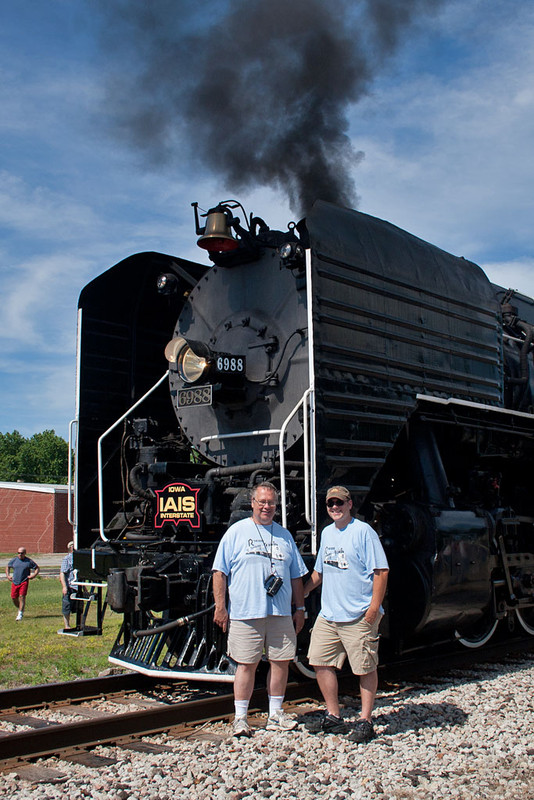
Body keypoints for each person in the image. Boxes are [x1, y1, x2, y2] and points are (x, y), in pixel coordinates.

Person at [212, 481, 308, 737]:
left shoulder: (284, 535)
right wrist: (220, 607)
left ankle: (275, 714)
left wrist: (300, 608)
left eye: (271, 503)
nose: (266, 507)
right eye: (262, 502)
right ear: (252, 503)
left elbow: (296, 576)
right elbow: (219, 572)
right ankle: (240, 718)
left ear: (276, 506)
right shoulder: (236, 532)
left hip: (279, 613)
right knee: (245, 664)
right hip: (246, 612)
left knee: (281, 662)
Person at [304, 486, 389, 743]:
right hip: (330, 614)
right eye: (331, 503)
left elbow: (381, 571)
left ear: (350, 504)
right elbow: (320, 571)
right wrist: (304, 592)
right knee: (319, 661)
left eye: (339, 502)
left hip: (358, 614)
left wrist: (374, 608)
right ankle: (334, 716)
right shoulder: (327, 533)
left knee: (364, 667)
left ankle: (365, 720)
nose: (334, 507)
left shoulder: (363, 532)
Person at [5, 547, 40, 620]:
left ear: (25, 553)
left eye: (22, 553)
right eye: (18, 553)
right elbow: (8, 567)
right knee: (14, 598)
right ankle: (21, 608)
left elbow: (37, 568)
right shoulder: (14, 560)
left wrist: (33, 575)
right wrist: (8, 575)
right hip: (15, 581)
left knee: (22, 597)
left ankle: (20, 614)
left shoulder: (28, 561)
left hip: (24, 581)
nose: (20, 554)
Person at [60, 541, 79, 629]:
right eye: (72, 546)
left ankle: (80, 625)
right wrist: (64, 587)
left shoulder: (80, 559)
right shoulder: (67, 559)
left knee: (80, 607)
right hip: (70, 587)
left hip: (78, 586)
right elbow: (62, 573)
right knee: (66, 606)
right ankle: (67, 625)